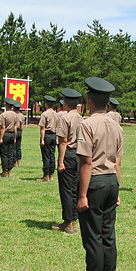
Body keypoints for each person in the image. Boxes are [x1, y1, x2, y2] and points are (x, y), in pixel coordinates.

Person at [70, 77, 123, 271]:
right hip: (111, 181)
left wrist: (82, 195)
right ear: (109, 101)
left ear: (89, 101)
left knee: (92, 236)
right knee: (107, 235)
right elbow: (118, 162)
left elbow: (86, 162)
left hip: (95, 182)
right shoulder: (116, 125)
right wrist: (118, 191)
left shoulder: (87, 124)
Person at [52, 88, 83, 234]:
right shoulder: (81, 118)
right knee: (75, 188)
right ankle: (74, 219)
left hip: (69, 154)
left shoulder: (65, 118)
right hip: (79, 155)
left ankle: (68, 221)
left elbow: (63, 141)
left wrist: (60, 161)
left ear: (65, 103)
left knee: (66, 190)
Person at [37, 95, 58, 183]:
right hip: (54, 136)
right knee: (52, 155)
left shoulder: (44, 114)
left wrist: (42, 139)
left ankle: (46, 175)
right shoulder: (57, 114)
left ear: (46, 104)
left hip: (47, 135)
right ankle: (51, 175)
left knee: (46, 156)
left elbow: (42, 128)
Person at [0, 98, 18, 177]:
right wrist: (15, 137)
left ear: (6, 105)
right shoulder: (15, 115)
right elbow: (16, 127)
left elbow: (3, 127)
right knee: (10, 153)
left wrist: (1, 138)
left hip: (5, 134)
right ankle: (9, 170)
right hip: (12, 134)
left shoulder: (3, 115)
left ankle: (5, 171)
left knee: (4, 153)